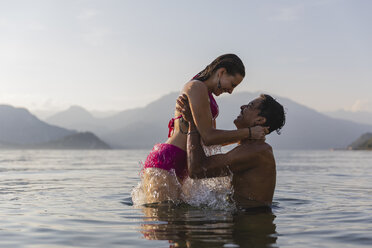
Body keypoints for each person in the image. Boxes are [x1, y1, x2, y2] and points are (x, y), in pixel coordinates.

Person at [141, 54, 268, 203]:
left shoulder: (207, 94)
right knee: (162, 223)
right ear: (221, 72)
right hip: (168, 162)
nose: (231, 91)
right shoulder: (197, 87)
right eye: (232, 84)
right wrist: (249, 132)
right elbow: (208, 136)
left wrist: (245, 137)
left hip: (181, 165)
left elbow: (210, 141)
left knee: (178, 223)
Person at [177, 93, 285, 208]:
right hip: (245, 218)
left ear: (259, 120)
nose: (242, 107)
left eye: (250, 106)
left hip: (250, 221)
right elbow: (208, 140)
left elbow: (197, 170)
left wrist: (192, 123)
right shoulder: (250, 146)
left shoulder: (258, 151)